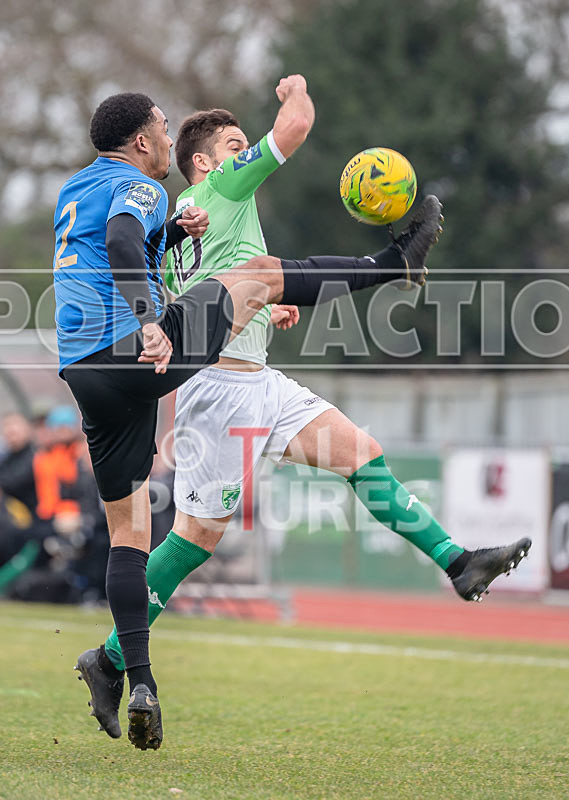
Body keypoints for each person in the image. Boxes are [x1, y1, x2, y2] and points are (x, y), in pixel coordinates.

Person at [76, 78, 530, 747]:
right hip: (218, 391)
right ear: (205, 161)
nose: (241, 151)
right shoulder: (218, 187)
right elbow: (292, 130)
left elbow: (219, 284)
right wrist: (297, 91)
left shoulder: (182, 220)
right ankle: (111, 659)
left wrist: (265, 306)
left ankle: (457, 561)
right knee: (197, 539)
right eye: (231, 144)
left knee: (357, 452)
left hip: (254, 372)